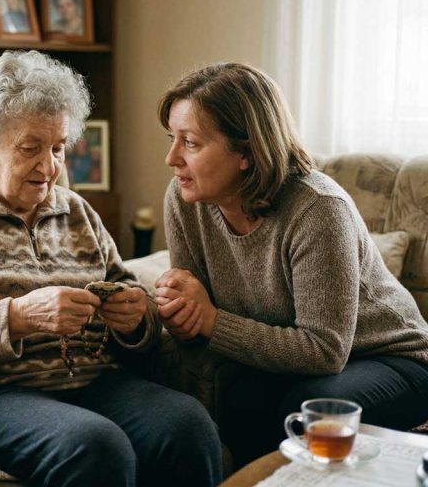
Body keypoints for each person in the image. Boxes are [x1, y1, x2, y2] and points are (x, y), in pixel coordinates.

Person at [0, 50, 222, 487]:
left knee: (186, 424)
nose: (49, 167)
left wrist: (135, 318)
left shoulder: (77, 212)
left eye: (58, 148)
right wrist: (18, 318)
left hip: (90, 381)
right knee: (94, 445)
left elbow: (135, 323)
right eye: (30, 148)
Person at [155, 62, 428, 467]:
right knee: (239, 395)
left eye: (190, 142)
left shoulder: (318, 209)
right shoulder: (184, 199)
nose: (171, 158)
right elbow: (197, 324)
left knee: (308, 411)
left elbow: (324, 351)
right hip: (296, 358)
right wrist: (180, 311)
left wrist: (210, 320)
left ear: (245, 151)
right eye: (172, 139)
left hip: (391, 357)